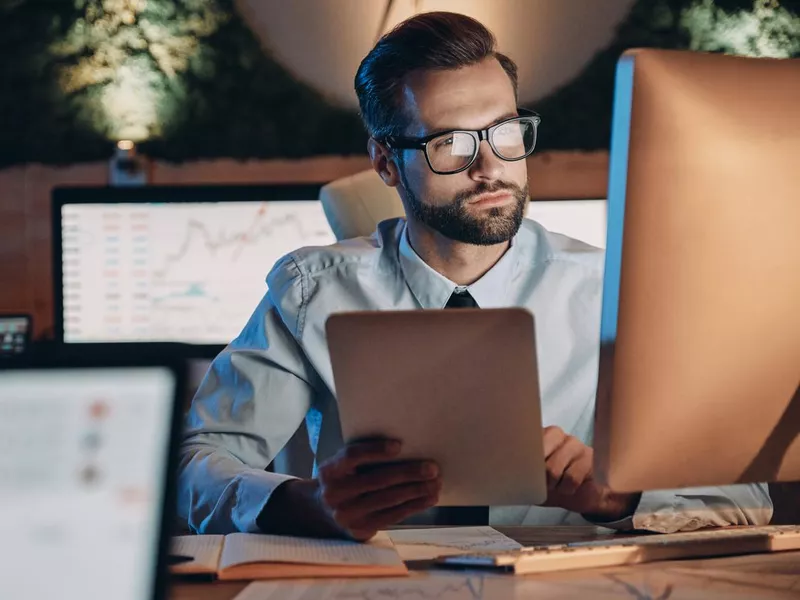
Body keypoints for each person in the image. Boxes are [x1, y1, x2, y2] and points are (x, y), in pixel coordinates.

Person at [177, 11, 771, 541]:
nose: (491, 167)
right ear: (386, 161)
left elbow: (744, 496)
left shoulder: (615, 294)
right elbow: (194, 462)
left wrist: (616, 497)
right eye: (452, 143)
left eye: (505, 131)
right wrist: (309, 505)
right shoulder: (312, 289)